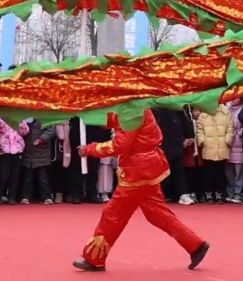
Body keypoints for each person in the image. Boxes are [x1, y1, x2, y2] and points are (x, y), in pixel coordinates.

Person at [72, 110, 209, 272]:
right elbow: (116, 122)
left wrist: (91, 149)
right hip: (146, 166)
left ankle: (94, 258)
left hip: (137, 170)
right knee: (157, 214)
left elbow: (120, 144)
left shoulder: (131, 112)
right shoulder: (135, 107)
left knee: (113, 214)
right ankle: (195, 245)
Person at [195, 103, 232, 203]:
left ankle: (219, 194)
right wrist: (202, 141)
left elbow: (230, 128)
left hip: (222, 146)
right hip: (208, 147)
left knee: (220, 172)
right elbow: (200, 130)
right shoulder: (203, 114)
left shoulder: (226, 113)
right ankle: (208, 193)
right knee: (207, 172)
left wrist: (228, 140)